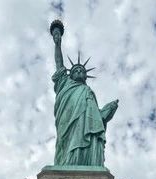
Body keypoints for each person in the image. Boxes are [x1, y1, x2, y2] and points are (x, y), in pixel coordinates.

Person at [50, 20, 118, 167]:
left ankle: (87, 163)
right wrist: (57, 44)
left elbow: (95, 119)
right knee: (66, 143)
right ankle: (67, 163)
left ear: (86, 76)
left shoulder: (88, 92)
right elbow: (59, 63)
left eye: (82, 71)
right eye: (76, 70)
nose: (79, 71)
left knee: (88, 137)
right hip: (67, 121)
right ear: (70, 75)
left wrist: (107, 111)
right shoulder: (65, 83)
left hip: (85, 125)